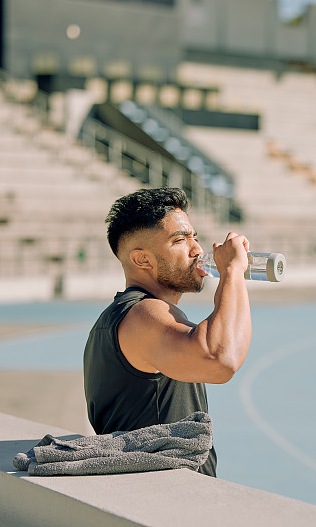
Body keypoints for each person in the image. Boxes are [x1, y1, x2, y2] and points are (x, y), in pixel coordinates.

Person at [83, 187, 252, 477]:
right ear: (142, 260)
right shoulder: (141, 314)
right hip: (163, 504)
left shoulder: (122, 316)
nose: (197, 249)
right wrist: (233, 272)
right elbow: (220, 359)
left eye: (194, 237)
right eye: (180, 240)